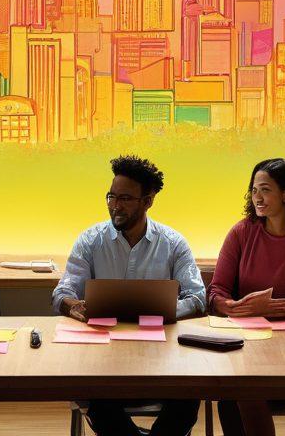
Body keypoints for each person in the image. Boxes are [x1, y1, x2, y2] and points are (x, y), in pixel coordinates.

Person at [53, 155, 206, 436]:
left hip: (161, 358)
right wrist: (73, 306)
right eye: (111, 197)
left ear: (148, 201)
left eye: (125, 198)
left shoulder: (173, 244)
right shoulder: (90, 240)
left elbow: (197, 298)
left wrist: (163, 310)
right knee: (94, 395)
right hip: (103, 358)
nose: (115, 205)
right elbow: (62, 292)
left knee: (189, 393)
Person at [208, 158, 285, 436]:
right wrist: (232, 306)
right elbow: (216, 292)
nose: (257, 198)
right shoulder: (242, 231)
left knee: (245, 391)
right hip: (245, 347)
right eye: (254, 191)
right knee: (233, 397)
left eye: (265, 190)